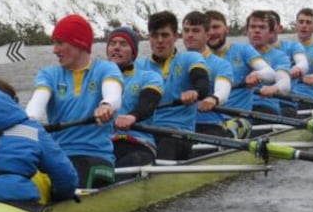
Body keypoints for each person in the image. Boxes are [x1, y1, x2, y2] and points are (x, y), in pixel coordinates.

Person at [25, 14, 123, 189]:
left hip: (95, 157)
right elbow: (36, 105)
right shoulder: (49, 75)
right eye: (54, 43)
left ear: (79, 44)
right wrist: (25, 122)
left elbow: (113, 94)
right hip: (58, 157)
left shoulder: (106, 69)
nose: (55, 50)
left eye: (60, 43)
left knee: (75, 174)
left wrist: (106, 105)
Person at [134, 11, 209, 160]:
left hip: (179, 134)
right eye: (155, 35)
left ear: (176, 36)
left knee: (166, 145)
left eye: (165, 35)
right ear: (149, 37)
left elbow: (202, 83)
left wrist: (195, 92)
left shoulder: (191, 58)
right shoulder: (138, 66)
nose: (160, 40)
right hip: (145, 133)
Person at [205, 10, 276, 138]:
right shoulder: (196, 59)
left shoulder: (243, 50)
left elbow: (270, 73)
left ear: (226, 29)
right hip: (208, 120)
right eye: (207, 28)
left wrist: (257, 75)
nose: (211, 32)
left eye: (216, 27)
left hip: (238, 119)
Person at [105, 26, 164, 168]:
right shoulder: (96, 79)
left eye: (123, 44)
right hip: (104, 145)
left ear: (133, 53)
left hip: (138, 144)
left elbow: (149, 102)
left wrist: (132, 116)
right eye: (113, 43)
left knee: (132, 161)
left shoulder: (149, 77)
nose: (116, 48)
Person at [180, 11, 233, 137]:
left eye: (195, 30)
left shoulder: (221, 64)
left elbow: (223, 91)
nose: (190, 35)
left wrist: (214, 99)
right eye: (186, 30)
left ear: (208, 35)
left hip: (208, 124)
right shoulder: (173, 62)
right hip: (178, 125)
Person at [245, 11, 292, 117]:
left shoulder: (279, 57)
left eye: (262, 27)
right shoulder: (236, 52)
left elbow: (285, 82)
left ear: (270, 33)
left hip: (264, 106)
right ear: (247, 31)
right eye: (253, 27)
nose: (257, 31)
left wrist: (274, 88)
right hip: (236, 107)